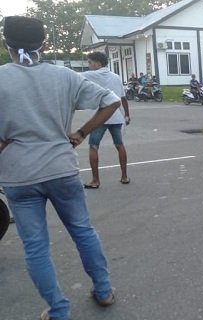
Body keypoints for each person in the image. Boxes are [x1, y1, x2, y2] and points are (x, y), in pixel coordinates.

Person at [0, 16, 120, 320]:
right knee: (83, 231)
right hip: (62, 169)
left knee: (35, 247)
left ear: (6, 44)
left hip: (18, 175)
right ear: (44, 45)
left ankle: (58, 310)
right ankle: (103, 291)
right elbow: (111, 100)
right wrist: (80, 133)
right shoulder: (64, 76)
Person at [81, 52, 131, 188]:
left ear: (97, 63)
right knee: (120, 145)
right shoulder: (116, 77)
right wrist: (127, 115)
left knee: (93, 146)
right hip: (116, 116)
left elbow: (72, 78)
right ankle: (124, 176)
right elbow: (123, 98)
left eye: (90, 62)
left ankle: (95, 180)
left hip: (100, 117)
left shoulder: (90, 75)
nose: (88, 65)